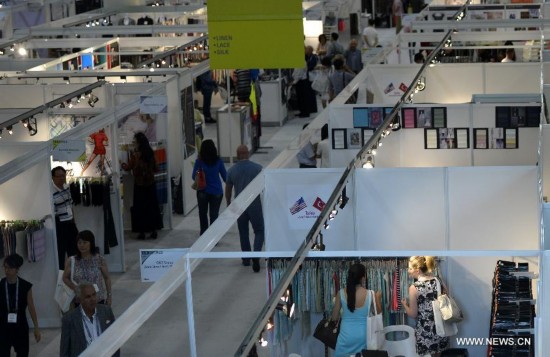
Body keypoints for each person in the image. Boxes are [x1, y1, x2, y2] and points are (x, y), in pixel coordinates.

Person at [225, 145, 264, 273]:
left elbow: (228, 190)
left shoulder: (231, 170)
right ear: (247, 153)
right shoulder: (258, 168)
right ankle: (256, 255)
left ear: (237, 154)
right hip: (254, 204)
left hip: (239, 205)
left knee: (243, 232)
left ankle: (246, 259)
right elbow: (265, 185)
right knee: (259, 230)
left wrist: (229, 203)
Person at [330, 263, 382, 356]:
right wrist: (377, 297)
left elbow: (334, 318)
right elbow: (379, 313)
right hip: (364, 337)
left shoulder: (341, 293)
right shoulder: (371, 294)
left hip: (345, 337)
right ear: (363, 277)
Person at [402, 256, 449, 357]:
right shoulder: (438, 281)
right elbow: (446, 298)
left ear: (417, 270)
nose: (408, 271)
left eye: (410, 268)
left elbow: (413, 314)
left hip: (425, 331)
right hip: (441, 327)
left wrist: (405, 305)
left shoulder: (414, 288)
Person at [60, 282, 119, 357]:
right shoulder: (69, 319)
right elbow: (64, 351)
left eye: (94, 295)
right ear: (80, 300)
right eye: (88, 297)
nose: (92, 299)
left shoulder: (106, 311)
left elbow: (115, 339)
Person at [121, 132, 161, 240]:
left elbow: (127, 168)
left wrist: (121, 163)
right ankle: (154, 231)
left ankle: (142, 232)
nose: (134, 143)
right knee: (152, 207)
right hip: (151, 184)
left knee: (140, 209)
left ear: (138, 143)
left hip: (139, 185)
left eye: (135, 142)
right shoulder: (151, 153)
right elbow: (157, 168)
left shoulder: (135, 155)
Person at [0, 254, 40, 357]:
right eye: (5, 267)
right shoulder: (1, 285)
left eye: (10, 268)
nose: (7, 271)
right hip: (3, 325)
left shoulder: (25, 286)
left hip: (20, 325)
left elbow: (31, 307)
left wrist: (36, 327)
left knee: (22, 353)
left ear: (17, 269)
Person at [63, 230, 112, 306]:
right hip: (80, 301)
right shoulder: (72, 260)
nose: (82, 245)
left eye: (85, 242)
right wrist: (75, 288)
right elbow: (65, 278)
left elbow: (107, 278)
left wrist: (109, 296)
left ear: (91, 243)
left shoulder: (100, 259)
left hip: (98, 300)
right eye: (79, 243)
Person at [192, 139, 227, 235]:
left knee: (202, 214)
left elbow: (193, 177)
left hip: (203, 191)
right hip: (216, 191)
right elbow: (225, 177)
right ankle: (213, 236)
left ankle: (204, 234)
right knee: (214, 215)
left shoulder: (199, 162)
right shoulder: (218, 161)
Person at [52, 166, 79, 270]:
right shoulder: (51, 192)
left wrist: (74, 221)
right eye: (58, 176)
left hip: (70, 223)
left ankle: (74, 274)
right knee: (60, 252)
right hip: (60, 225)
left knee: (74, 251)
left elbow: (70, 206)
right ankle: (61, 278)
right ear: (53, 177)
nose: (61, 178)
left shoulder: (66, 188)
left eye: (63, 175)